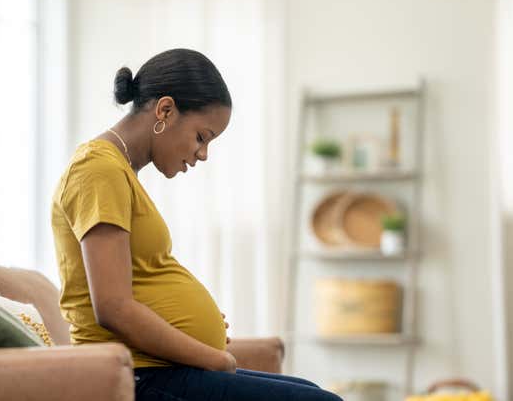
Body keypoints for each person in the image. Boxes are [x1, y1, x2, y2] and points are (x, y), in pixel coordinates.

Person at [51, 48, 342, 401]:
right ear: (165, 110)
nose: (202, 153)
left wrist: (192, 323)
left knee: (311, 393)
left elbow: (139, 280)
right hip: (137, 377)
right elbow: (113, 307)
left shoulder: (119, 170)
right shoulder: (98, 170)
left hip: (157, 369)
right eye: (202, 137)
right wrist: (214, 357)